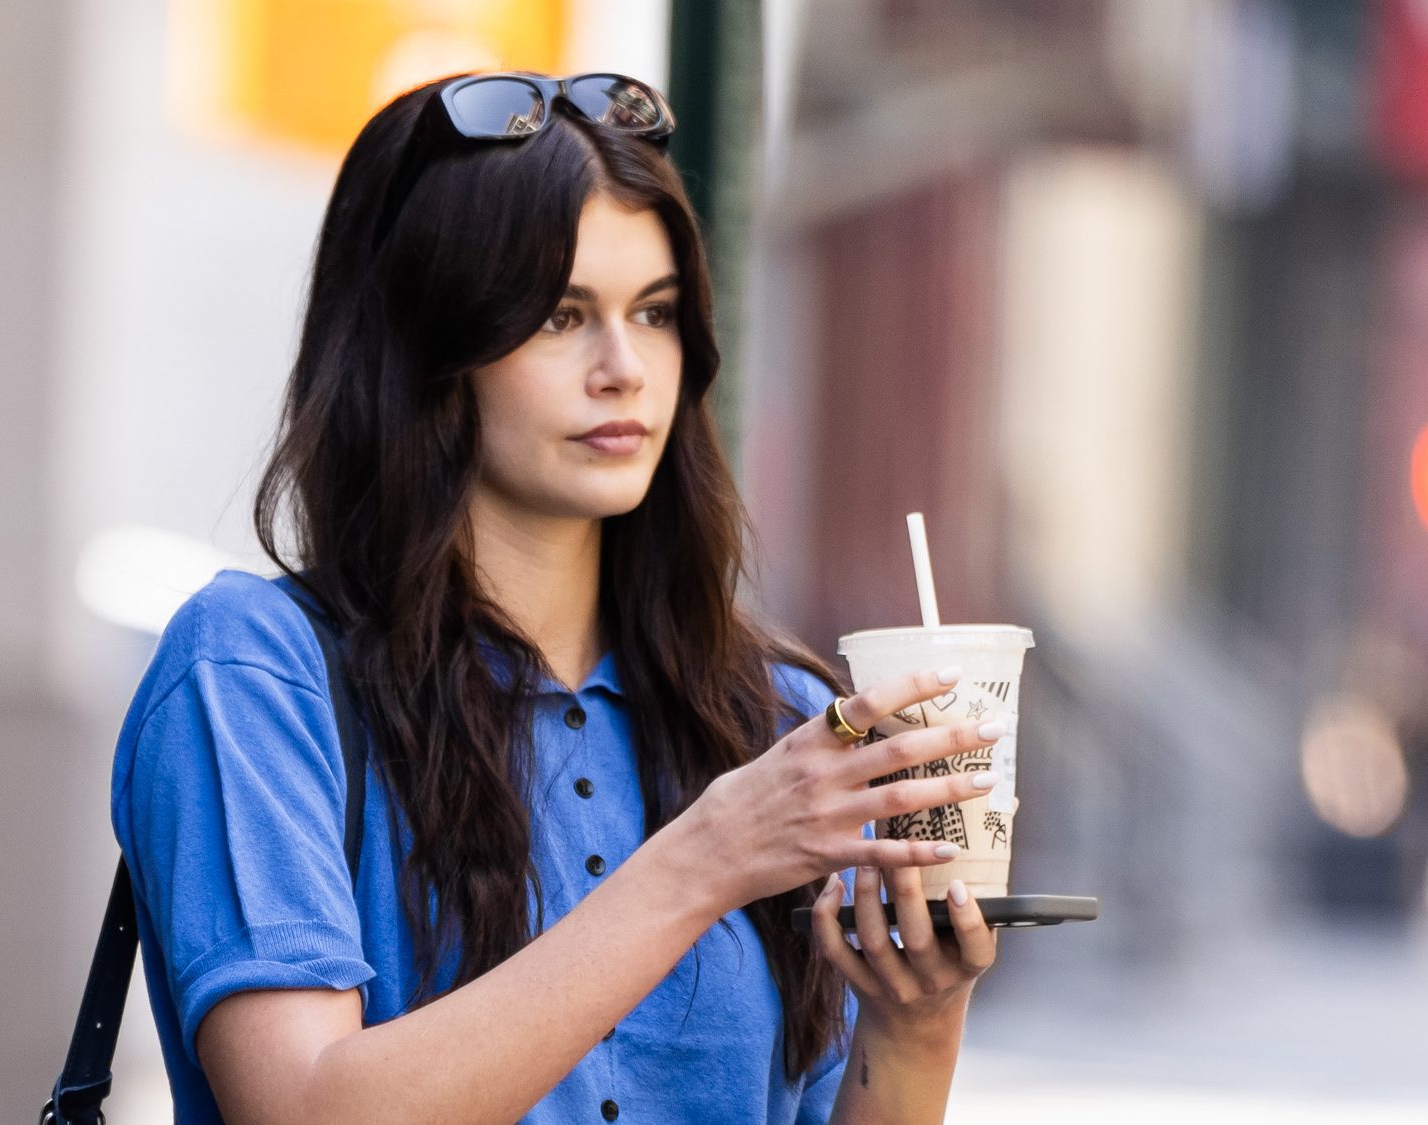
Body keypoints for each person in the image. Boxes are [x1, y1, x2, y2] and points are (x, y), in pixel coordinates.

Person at [110, 71, 1004, 1124]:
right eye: (558, 316)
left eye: (657, 312)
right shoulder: (257, 677)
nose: (624, 367)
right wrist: (703, 863)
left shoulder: (775, 728)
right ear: (427, 349)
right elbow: (304, 1107)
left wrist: (918, 1024)